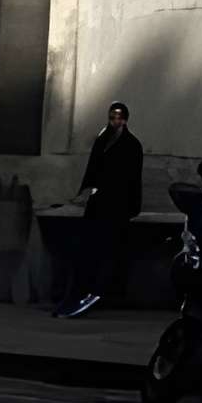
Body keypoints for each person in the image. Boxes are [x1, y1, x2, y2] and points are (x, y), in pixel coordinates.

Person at [57, 102, 143, 318]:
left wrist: (131, 207)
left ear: (125, 119)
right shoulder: (103, 139)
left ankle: (95, 293)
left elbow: (134, 178)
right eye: (112, 117)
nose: (115, 121)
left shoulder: (131, 145)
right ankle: (80, 294)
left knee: (106, 252)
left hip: (116, 207)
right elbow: (93, 168)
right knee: (89, 251)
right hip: (99, 204)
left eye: (119, 117)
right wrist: (86, 191)